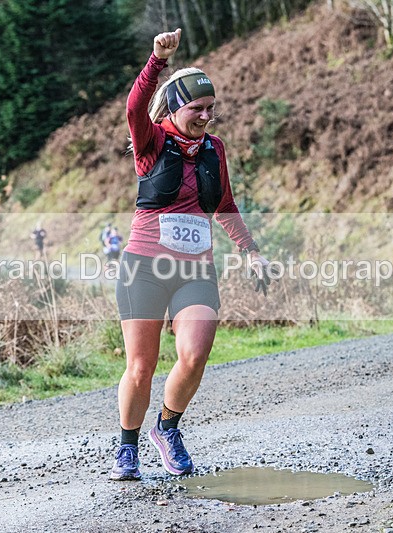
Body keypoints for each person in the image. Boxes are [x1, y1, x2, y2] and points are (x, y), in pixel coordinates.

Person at [110, 28, 275, 481]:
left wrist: (250, 251)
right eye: (196, 108)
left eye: (210, 108)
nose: (206, 116)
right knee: (140, 367)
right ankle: (127, 446)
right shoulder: (151, 143)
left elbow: (223, 204)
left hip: (195, 269)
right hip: (144, 267)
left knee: (195, 353)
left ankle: (167, 427)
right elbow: (132, 108)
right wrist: (156, 61)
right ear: (175, 108)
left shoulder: (213, 149)